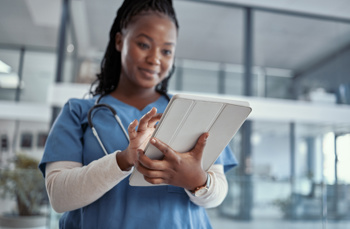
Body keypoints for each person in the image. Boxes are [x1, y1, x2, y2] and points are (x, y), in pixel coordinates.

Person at [39, 0, 237, 228]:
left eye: (166, 51)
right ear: (119, 41)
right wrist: (124, 160)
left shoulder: (194, 112)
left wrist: (197, 181)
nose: (155, 59)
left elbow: (218, 192)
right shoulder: (78, 112)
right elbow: (59, 196)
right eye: (144, 45)